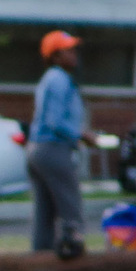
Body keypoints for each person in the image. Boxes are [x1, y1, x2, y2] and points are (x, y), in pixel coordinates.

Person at [28, 30, 89, 259]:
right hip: (53, 148)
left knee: (44, 213)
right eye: (69, 51)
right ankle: (75, 258)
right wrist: (81, 134)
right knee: (71, 208)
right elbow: (54, 121)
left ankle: (40, 259)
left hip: (37, 148)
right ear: (54, 56)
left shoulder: (50, 79)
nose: (75, 55)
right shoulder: (59, 79)